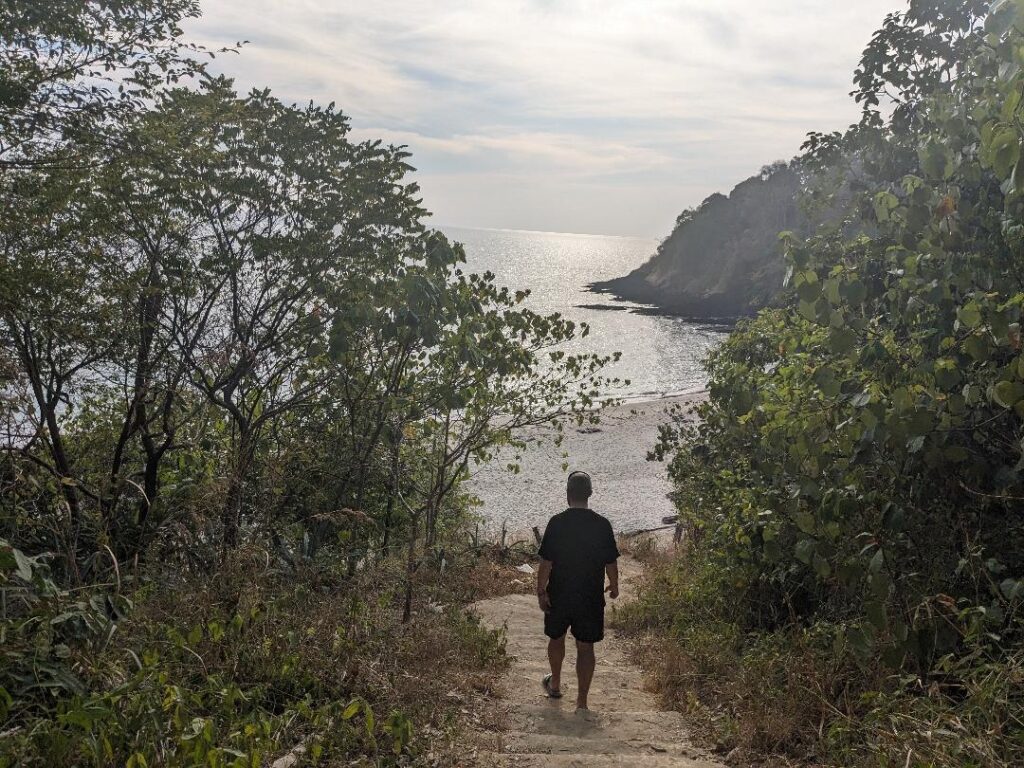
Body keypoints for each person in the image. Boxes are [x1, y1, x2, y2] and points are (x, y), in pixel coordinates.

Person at [536, 470, 620, 717]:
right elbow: (611, 563)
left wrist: (541, 591)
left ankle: (556, 684)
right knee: (586, 647)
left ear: (567, 495)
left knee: (556, 638)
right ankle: (582, 702)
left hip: (560, 594)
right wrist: (614, 586)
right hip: (590, 597)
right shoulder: (602, 525)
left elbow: (546, 563)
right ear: (590, 494)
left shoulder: (557, 523)